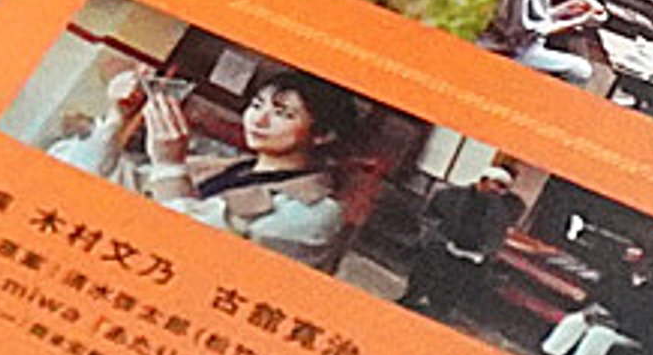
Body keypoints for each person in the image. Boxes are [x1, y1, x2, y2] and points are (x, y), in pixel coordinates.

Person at [51, 63, 353, 274]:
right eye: (256, 105)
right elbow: (82, 176)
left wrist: (169, 167)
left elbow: (203, 258)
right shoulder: (219, 167)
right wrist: (118, 116)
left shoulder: (315, 211)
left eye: (282, 114)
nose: (259, 120)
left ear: (323, 135)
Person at [400, 158, 522, 321]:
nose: (499, 191)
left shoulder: (501, 211)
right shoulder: (450, 195)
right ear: (484, 180)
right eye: (497, 185)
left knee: (453, 290)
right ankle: (412, 298)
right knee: (425, 274)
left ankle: (441, 310)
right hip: (441, 246)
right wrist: (436, 239)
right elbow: (429, 218)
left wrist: (485, 253)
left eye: (504, 188)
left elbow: (497, 236)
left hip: (470, 256)